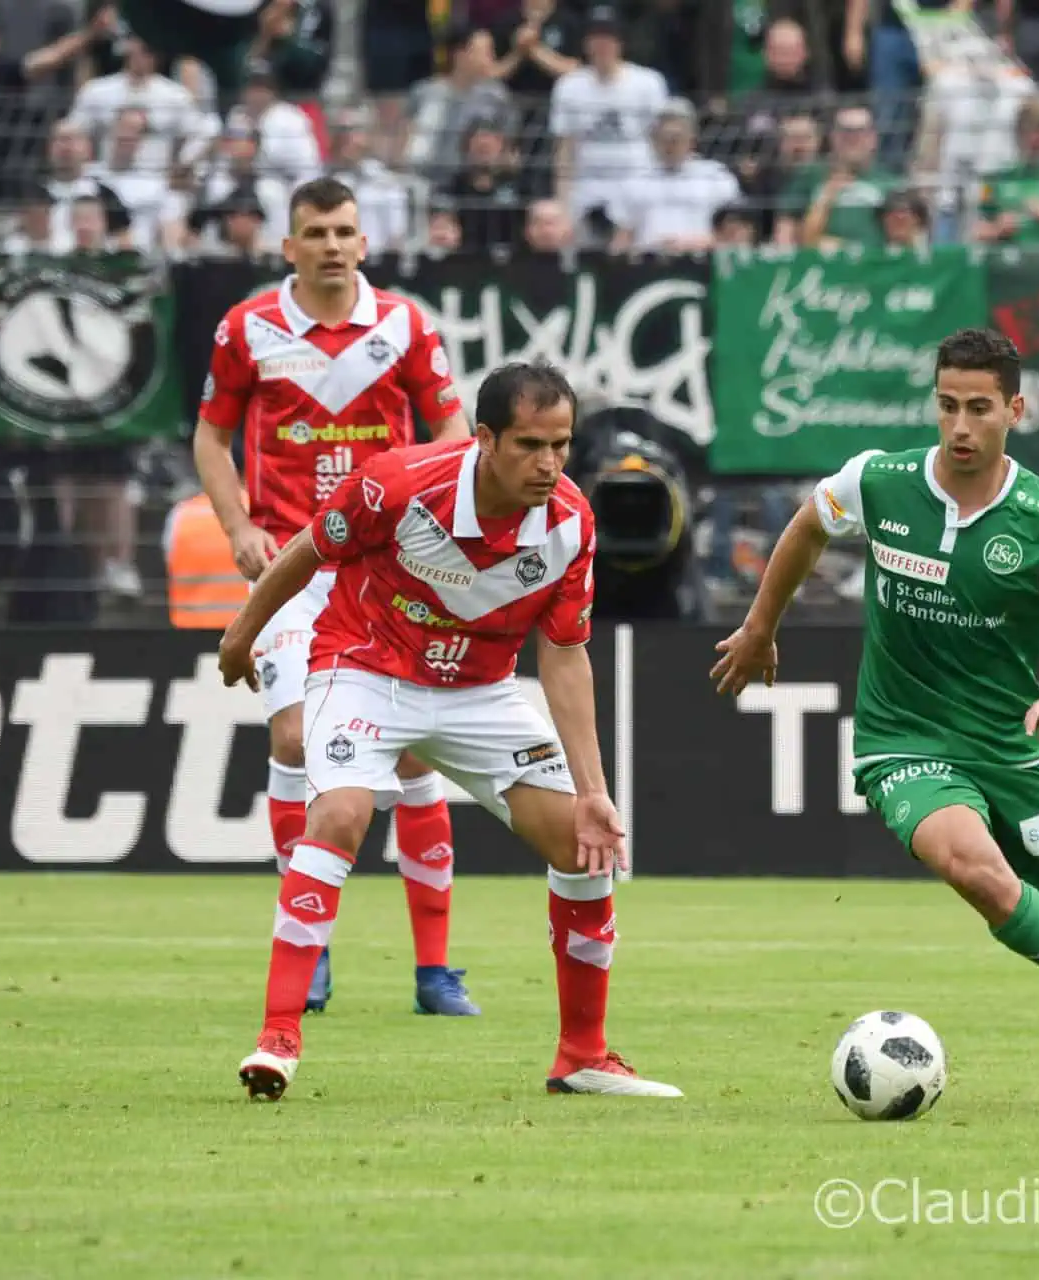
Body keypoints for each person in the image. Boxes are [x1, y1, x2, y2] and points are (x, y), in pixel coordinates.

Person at [711, 328, 1039, 1106]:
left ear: (1016, 409)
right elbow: (808, 524)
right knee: (978, 871)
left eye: (980, 408)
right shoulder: (879, 481)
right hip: (902, 741)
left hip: (1012, 746)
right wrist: (760, 627)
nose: (962, 426)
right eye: (947, 406)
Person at [217, 362, 682, 1102]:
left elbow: (563, 655)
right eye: (531, 445)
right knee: (341, 814)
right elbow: (310, 547)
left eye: (562, 445)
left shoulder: (569, 522)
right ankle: (278, 1036)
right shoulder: (398, 484)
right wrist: (243, 636)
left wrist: (594, 790)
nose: (550, 464)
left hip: (477, 694)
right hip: (365, 667)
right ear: (485, 439)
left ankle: (582, 1055)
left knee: (582, 842)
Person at [193, 176, 481, 1019]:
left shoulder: (404, 326)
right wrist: (238, 525)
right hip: (289, 564)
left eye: (343, 231)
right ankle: (308, 947)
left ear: (364, 243)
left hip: (386, 567)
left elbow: (455, 436)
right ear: (289, 247)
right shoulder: (247, 328)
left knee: (417, 753)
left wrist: (433, 528)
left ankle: (435, 972)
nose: (330, 244)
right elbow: (211, 438)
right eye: (314, 231)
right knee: (292, 739)